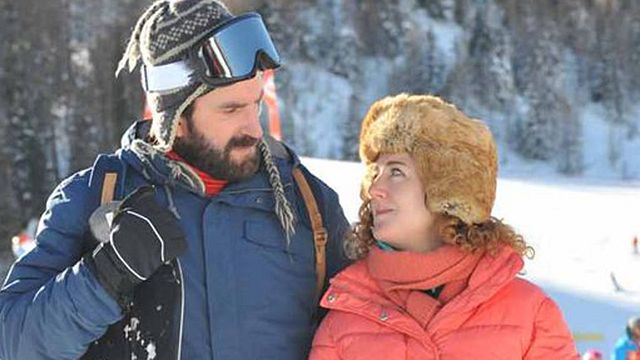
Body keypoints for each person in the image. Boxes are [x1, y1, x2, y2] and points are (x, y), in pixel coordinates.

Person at [0, 1, 350, 359]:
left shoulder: (308, 204)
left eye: (255, 104)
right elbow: (13, 342)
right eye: (231, 109)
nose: (254, 129)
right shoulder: (93, 196)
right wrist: (107, 274)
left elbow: (371, 326)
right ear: (174, 119)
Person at [309, 94, 579, 359]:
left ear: (448, 189)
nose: (375, 189)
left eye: (396, 172)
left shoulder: (530, 314)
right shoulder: (344, 319)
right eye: (375, 174)